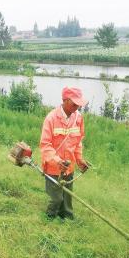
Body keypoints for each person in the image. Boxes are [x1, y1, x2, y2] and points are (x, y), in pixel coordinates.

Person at [40, 87, 89, 219]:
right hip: (53, 168)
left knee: (67, 198)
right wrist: (57, 161)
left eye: (79, 103)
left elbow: (77, 142)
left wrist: (79, 160)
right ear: (65, 100)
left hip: (69, 167)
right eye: (74, 103)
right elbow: (45, 145)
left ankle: (66, 219)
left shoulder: (78, 118)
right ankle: (48, 219)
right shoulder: (51, 118)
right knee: (56, 198)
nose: (77, 106)